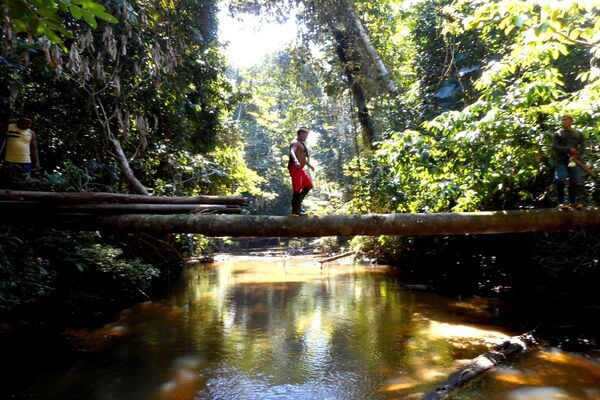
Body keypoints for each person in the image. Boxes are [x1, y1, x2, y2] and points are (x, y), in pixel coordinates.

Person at [552, 115, 585, 209]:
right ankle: (561, 203)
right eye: (562, 120)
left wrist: (577, 154)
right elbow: (555, 147)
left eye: (566, 120)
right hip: (561, 160)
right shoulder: (558, 133)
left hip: (574, 160)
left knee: (574, 180)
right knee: (560, 179)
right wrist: (568, 149)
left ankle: (573, 202)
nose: (563, 122)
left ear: (571, 122)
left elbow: (583, 146)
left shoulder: (578, 133)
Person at [0, 115, 40, 186]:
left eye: (30, 123)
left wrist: (37, 162)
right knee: (7, 183)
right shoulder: (9, 127)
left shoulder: (31, 133)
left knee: (24, 183)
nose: (29, 125)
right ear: (20, 122)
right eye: (27, 123)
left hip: (26, 162)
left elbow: (34, 148)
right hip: (10, 161)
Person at [288, 128, 315, 216]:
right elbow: (292, 152)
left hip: (300, 169)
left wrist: (309, 165)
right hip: (295, 168)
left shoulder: (301, 144)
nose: (306, 136)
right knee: (297, 188)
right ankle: (295, 211)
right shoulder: (295, 142)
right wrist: (295, 161)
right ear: (301, 133)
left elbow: (301, 157)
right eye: (305, 134)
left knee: (309, 185)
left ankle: (297, 206)